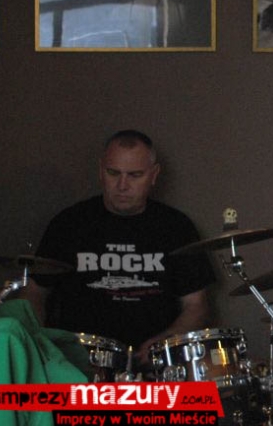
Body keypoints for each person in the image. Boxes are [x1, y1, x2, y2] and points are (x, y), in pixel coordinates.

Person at [24, 130, 215, 366]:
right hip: (77, 363)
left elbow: (196, 306)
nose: (122, 185)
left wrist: (166, 341)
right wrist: (40, 341)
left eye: (135, 175)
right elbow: (34, 293)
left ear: (154, 175)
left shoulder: (176, 227)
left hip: (157, 366)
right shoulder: (69, 223)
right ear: (100, 171)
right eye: (113, 173)